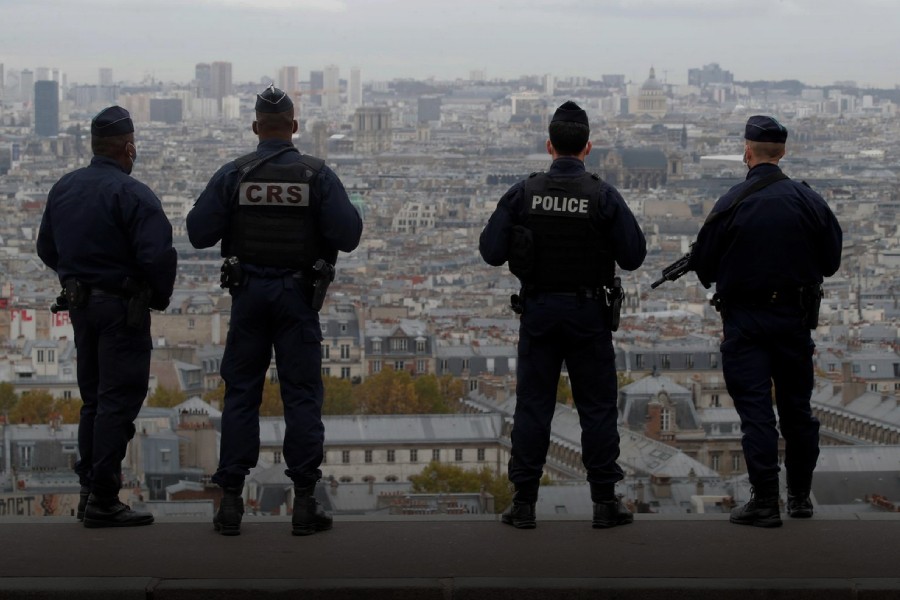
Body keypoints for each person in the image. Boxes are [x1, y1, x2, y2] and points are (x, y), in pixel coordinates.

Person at [186, 85, 362, 537]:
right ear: (295, 128)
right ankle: (304, 504)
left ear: (255, 128)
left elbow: (198, 232)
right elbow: (348, 234)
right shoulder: (317, 175)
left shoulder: (235, 175)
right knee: (301, 397)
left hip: (248, 295)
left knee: (241, 395)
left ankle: (229, 505)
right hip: (297, 298)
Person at [479, 101, 647, 529]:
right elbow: (633, 256)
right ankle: (606, 502)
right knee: (597, 408)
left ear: (548, 146)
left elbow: (490, 251)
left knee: (534, 407)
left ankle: (523, 504)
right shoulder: (603, 195)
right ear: (588, 147)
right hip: (589, 312)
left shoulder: (524, 192)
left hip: (538, 310)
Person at [690, 115, 842, 527]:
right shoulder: (810, 202)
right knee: (798, 411)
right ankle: (799, 498)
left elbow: (704, 266)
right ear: (784, 152)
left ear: (747, 151)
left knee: (756, 412)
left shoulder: (730, 203)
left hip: (746, 321)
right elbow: (831, 262)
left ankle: (765, 501)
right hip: (794, 319)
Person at [36, 106, 177, 528]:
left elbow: (46, 248)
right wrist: (156, 296)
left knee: (93, 400)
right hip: (121, 310)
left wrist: (75, 275)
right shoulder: (134, 195)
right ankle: (103, 497)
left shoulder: (64, 188)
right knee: (118, 401)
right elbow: (157, 256)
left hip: (80, 307)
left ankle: (87, 489)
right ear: (128, 147)